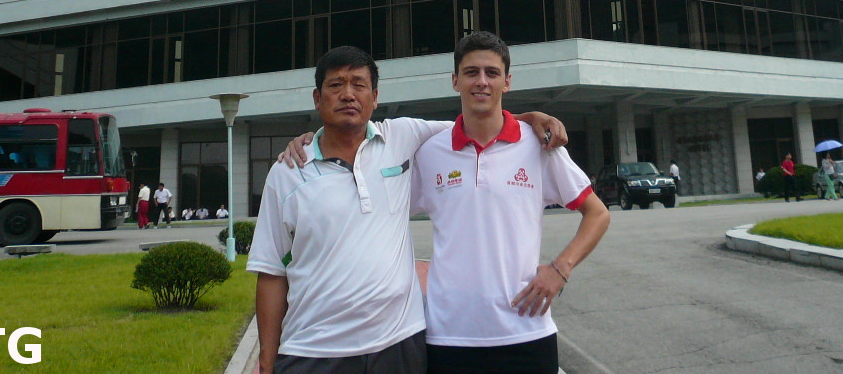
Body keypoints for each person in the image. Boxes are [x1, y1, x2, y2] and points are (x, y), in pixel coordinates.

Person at [250, 45, 568, 374]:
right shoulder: (288, 173)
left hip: (400, 346)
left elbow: (480, 122)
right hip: (314, 351)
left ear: (374, 97)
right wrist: (267, 362)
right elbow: (271, 273)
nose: (348, 94)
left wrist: (530, 119)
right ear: (318, 98)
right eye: (335, 85)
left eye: (359, 85)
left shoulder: (401, 136)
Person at [413, 32, 610, 374]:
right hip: (449, 336)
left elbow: (597, 213)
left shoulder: (539, 147)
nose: (482, 82)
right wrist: (317, 141)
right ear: (455, 80)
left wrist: (560, 269)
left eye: (492, 73)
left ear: (507, 81)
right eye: (471, 72)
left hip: (527, 332)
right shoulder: (429, 153)